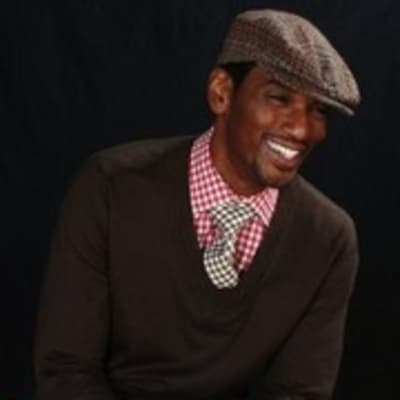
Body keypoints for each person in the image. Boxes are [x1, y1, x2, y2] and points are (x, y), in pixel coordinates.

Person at [34, 8, 360, 400]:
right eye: (278, 98)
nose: (302, 128)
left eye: (318, 110)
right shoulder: (111, 187)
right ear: (221, 93)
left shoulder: (327, 238)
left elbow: (299, 392)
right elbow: (65, 370)